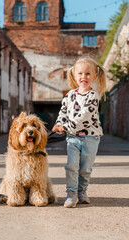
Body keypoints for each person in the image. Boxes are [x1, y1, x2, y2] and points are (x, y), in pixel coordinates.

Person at [52, 56, 106, 208]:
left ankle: (82, 191)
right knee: (71, 166)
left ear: (95, 76)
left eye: (88, 74)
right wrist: (59, 124)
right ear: (74, 75)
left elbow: (85, 116)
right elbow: (63, 112)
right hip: (73, 138)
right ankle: (71, 193)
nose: (84, 77)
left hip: (91, 138)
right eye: (80, 74)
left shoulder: (93, 96)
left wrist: (67, 126)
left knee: (85, 168)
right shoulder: (69, 95)